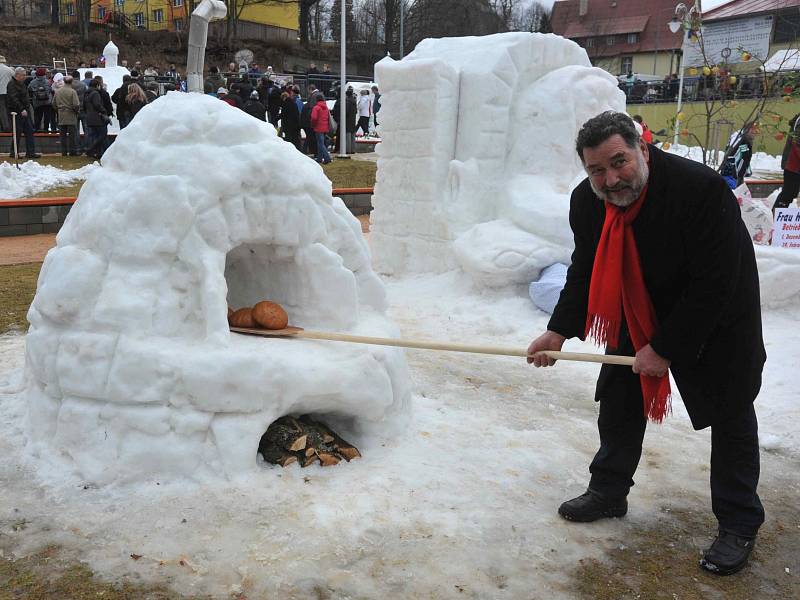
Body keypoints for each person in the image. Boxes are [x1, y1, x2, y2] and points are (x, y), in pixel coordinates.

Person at [527, 111, 765, 576]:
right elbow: (586, 268)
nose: (611, 179)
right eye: (597, 170)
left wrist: (667, 346)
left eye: (619, 162)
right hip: (634, 306)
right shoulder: (587, 201)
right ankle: (609, 490)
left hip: (718, 315)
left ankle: (739, 521)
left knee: (731, 411)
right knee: (617, 397)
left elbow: (714, 284)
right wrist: (559, 328)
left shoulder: (700, 190)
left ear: (642, 149)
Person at [7, 67, 41, 158]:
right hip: (17, 112)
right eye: (23, 75)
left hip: (25, 111)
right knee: (17, 133)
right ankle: (14, 152)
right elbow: (13, 98)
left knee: (29, 131)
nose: (25, 76)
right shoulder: (12, 84)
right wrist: (21, 109)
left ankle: (30, 152)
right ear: (17, 75)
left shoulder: (21, 84)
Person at [774, 113, 800, 210]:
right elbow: (797, 143)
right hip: (793, 163)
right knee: (788, 193)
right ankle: (776, 218)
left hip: (794, 164)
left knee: (791, 193)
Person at [53, 75, 81, 156]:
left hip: (61, 115)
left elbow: (53, 103)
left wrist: (58, 110)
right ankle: (73, 152)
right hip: (71, 115)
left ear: (64, 81)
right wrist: (76, 112)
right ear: (71, 82)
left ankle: (64, 152)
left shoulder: (58, 91)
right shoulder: (72, 92)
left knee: (63, 136)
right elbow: (76, 105)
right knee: (72, 135)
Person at [83, 78, 110, 159]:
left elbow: (84, 106)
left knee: (95, 135)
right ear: (97, 85)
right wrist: (104, 111)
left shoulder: (87, 93)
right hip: (97, 118)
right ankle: (91, 149)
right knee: (102, 135)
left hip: (89, 117)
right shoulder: (95, 93)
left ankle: (98, 153)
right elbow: (97, 105)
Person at [722, 123, 755, 188]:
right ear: (747, 130)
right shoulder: (741, 140)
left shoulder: (743, 140)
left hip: (736, 174)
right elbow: (739, 156)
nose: (755, 132)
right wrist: (739, 174)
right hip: (732, 174)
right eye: (752, 130)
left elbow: (745, 157)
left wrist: (746, 172)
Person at [28, 67, 54, 132]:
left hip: (37, 102)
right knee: (47, 116)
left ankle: (37, 129)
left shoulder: (32, 82)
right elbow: (51, 90)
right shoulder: (48, 82)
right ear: (44, 74)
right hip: (47, 102)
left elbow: (29, 89)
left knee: (37, 116)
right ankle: (46, 129)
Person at [311, 93, 332, 164]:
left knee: (320, 144)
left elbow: (314, 117)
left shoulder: (316, 107)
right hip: (325, 127)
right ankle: (319, 158)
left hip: (318, 127)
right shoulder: (325, 107)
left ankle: (327, 158)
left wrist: (313, 124)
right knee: (321, 143)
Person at [0, 55, 15, 132]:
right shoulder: (9, 70)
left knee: (2, 111)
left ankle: (4, 127)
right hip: (9, 93)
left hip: (0, 93)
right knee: (8, 110)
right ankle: (10, 126)